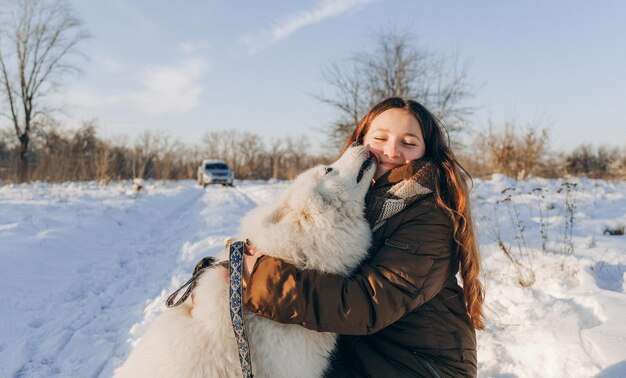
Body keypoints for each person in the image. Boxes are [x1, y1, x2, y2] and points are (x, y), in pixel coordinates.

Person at [242, 97, 484, 377]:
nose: (391, 151)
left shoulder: (430, 214)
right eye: (380, 138)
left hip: (417, 365)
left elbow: (368, 304)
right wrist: (237, 267)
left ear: (426, 151)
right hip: (366, 349)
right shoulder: (362, 195)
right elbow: (304, 246)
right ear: (362, 139)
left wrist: (258, 278)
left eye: (408, 143)